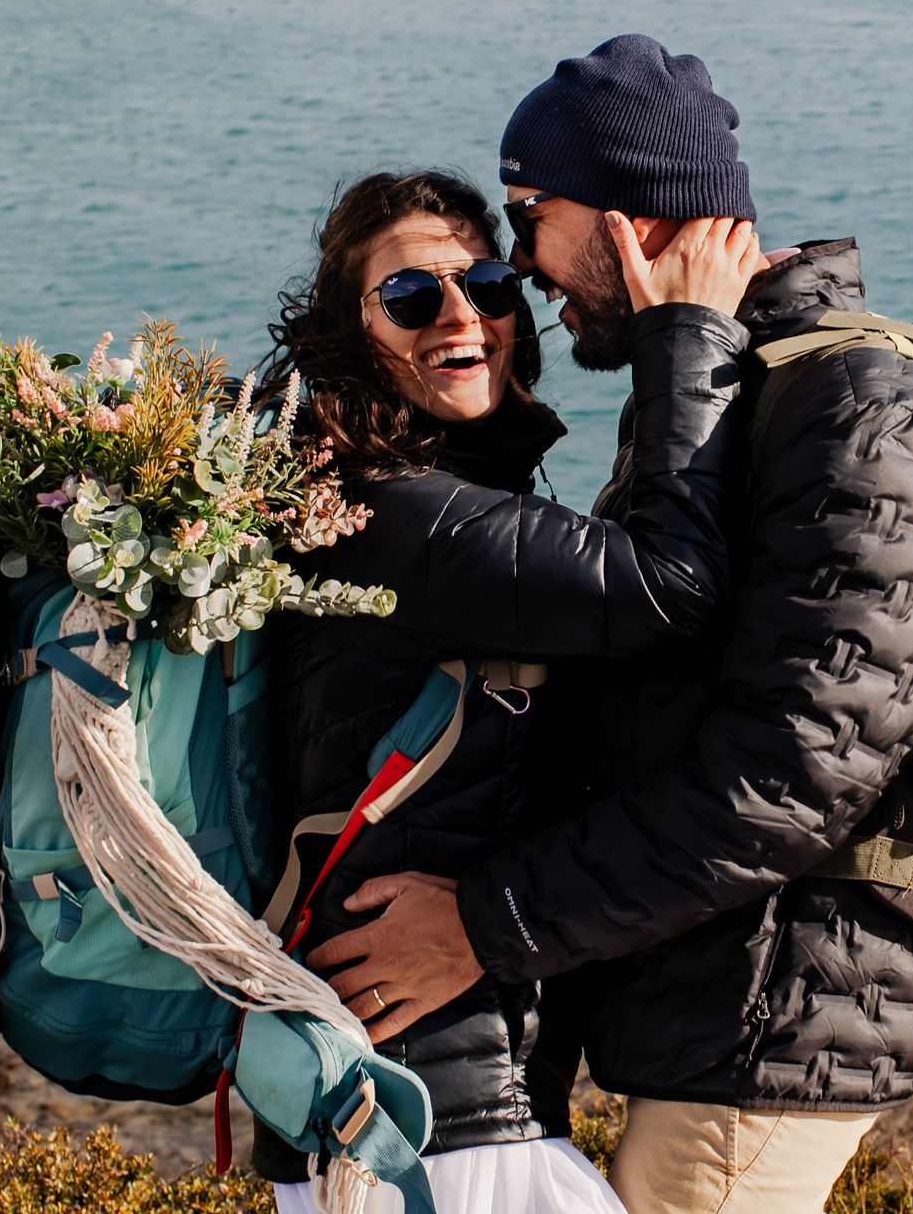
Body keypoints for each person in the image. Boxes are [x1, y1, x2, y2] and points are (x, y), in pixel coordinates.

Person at [318, 37, 913, 1214]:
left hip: (786, 1006)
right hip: (721, 997)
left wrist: (485, 923)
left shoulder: (862, 411)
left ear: (627, 216)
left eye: (530, 219)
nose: (522, 266)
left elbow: (793, 776)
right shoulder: (730, 392)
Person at [252, 168, 763, 1214]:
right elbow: (668, 586)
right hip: (426, 1128)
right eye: (410, 297)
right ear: (349, 334)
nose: (460, 316)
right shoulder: (403, 521)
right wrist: (686, 335)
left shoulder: (421, 504)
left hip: (415, 1107)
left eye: (486, 284)